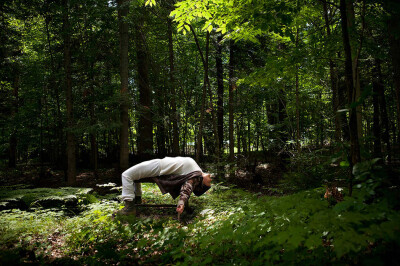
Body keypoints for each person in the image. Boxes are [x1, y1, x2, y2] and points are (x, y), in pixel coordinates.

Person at [116, 157, 212, 216]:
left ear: (202, 184)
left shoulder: (196, 177)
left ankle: (129, 207)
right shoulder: (198, 171)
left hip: (158, 167)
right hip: (158, 165)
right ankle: (137, 200)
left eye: (209, 184)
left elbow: (187, 188)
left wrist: (181, 202)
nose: (211, 180)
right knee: (131, 175)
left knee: (126, 175)